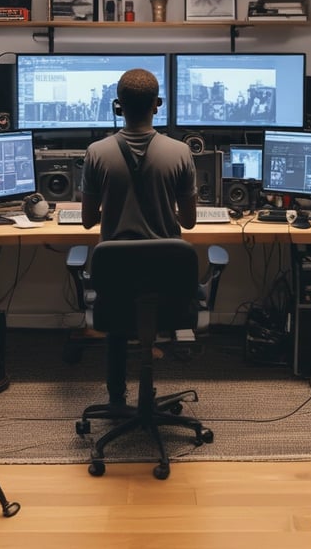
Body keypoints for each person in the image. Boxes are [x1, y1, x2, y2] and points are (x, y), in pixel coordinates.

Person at [80, 68, 197, 406]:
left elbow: (88, 220)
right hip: (168, 290)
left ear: (118, 106)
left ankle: (117, 397)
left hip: (115, 286)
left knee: (119, 304)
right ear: (157, 104)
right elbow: (188, 222)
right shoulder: (180, 153)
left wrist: (118, 208)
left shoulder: (96, 153)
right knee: (147, 293)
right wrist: (160, 210)